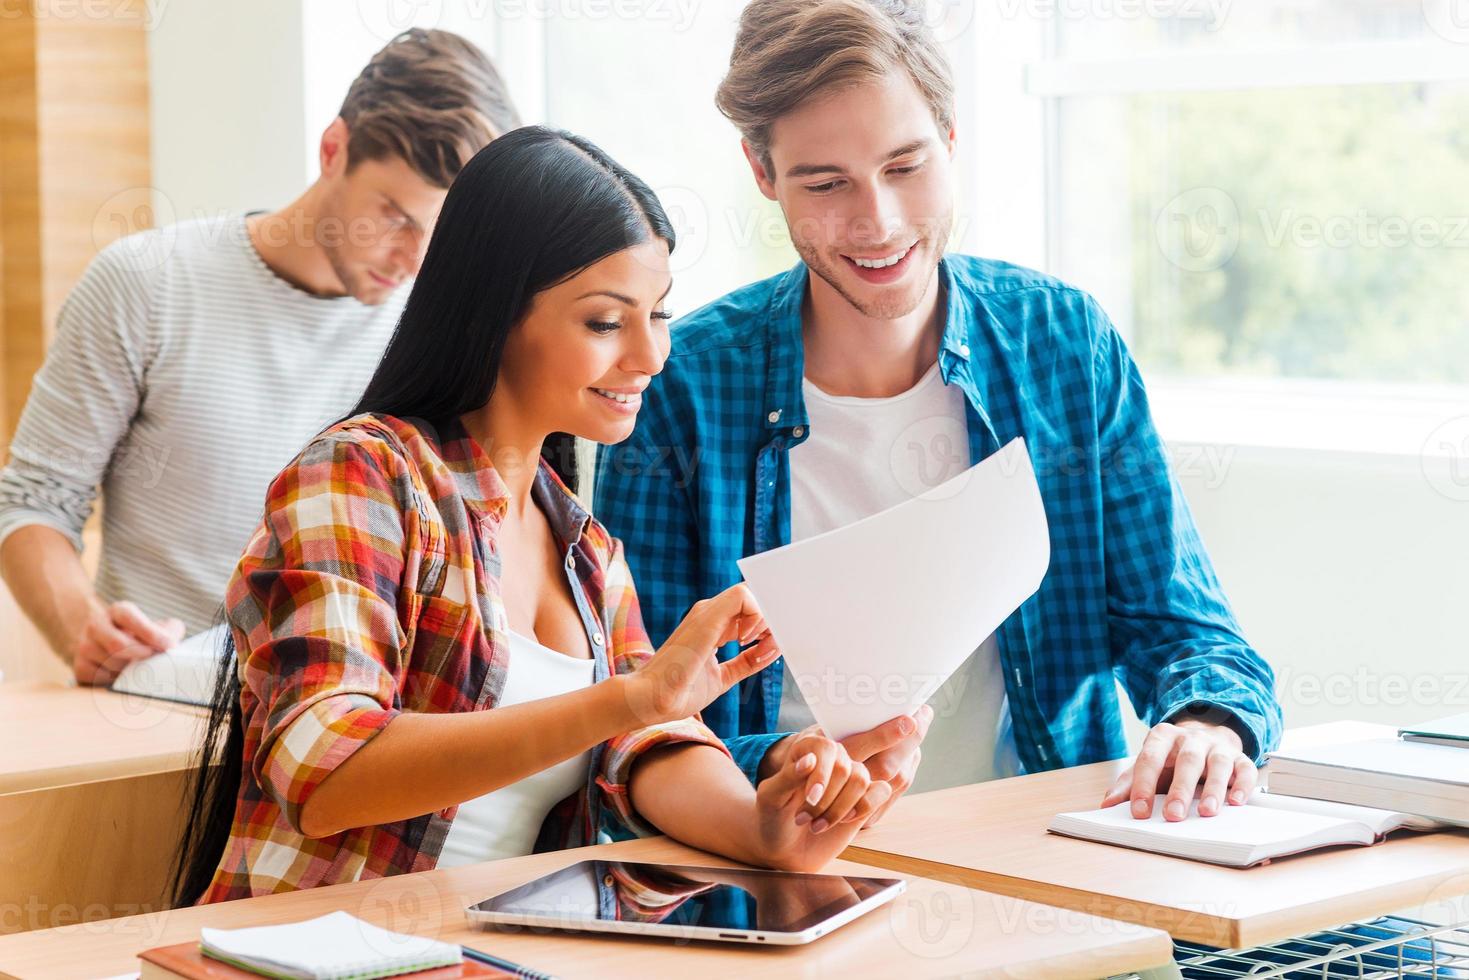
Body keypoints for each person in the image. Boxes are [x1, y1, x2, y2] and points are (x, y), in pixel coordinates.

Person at [594, 0, 1283, 823]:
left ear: (951, 139)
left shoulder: (1062, 342)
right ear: (760, 171)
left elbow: (1187, 631)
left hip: (1042, 862)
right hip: (779, 880)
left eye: (905, 166)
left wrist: (1206, 722)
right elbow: (639, 720)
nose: (877, 221)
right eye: (825, 183)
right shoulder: (682, 384)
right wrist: (783, 762)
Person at [171, 127, 887, 906]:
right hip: (320, 955)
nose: (650, 357)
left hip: (501, 956)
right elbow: (325, 772)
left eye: (659, 315)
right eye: (606, 322)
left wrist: (763, 826)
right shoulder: (362, 475)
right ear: (496, 312)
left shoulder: (584, 545)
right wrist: (629, 698)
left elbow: (643, 744)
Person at [0, 29, 519, 686]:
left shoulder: (438, 329)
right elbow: (35, 502)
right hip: (160, 710)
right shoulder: (148, 282)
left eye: (438, 237)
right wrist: (85, 629)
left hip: (353, 724)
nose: (414, 260)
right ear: (333, 150)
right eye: (394, 216)